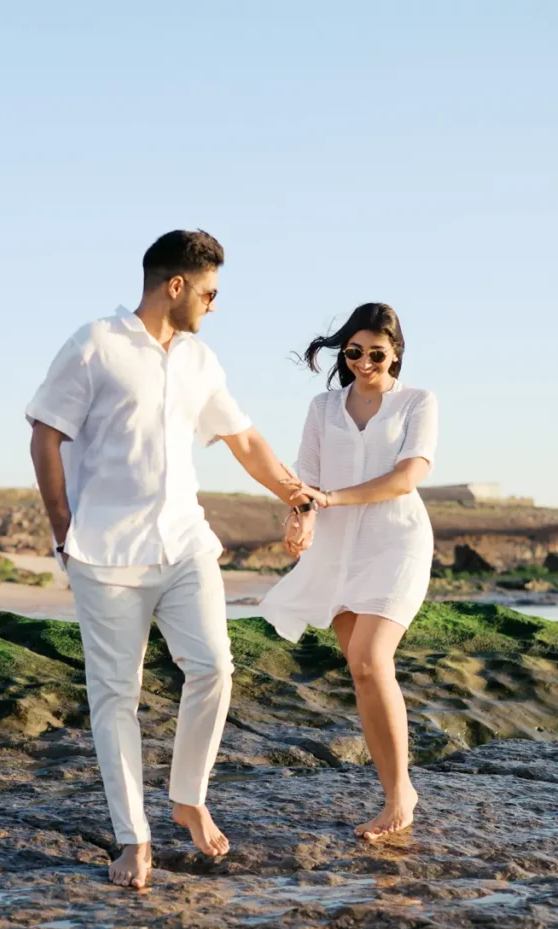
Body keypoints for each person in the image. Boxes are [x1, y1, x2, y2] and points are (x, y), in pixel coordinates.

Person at [26, 229, 298, 889]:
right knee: (114, 694)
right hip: (105, 552)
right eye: (208, 291)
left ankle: (187, 797)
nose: (213, 304)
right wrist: (64, 529)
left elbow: (244, 438)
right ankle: (133, 838)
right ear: (174, 285)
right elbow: (45, 434)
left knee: (213, 667)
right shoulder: (94, 344)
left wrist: (295, 492)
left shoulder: (201, 359)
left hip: (184, 543)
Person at [260, 303, 438, 841]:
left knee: (370, 657)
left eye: (376, 353)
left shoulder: (417, 402)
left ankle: (399, 794)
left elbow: (407, 477)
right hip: (336, 548)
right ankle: (394, 793)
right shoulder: (323, 407)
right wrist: (299, 518)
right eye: (354, 352)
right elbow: (307, 480)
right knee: (361, 673)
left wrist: (329, 498)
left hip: (396, 541)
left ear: (396, 353)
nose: (364, 362)